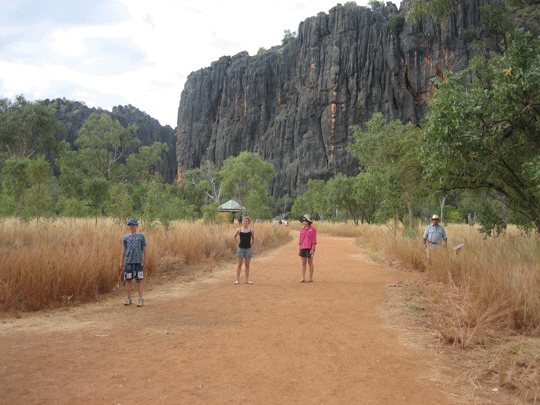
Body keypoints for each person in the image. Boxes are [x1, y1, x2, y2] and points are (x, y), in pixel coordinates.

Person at [121, 219, 147, 306]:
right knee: (128, 279)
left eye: (134, 225)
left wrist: (146, 259)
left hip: (138, 262)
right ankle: (129, 298)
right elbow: (124, 249)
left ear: (137, 226)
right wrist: (121, 260)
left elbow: (145, 248)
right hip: (128, 262)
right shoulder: (126, 237)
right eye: (130, 225)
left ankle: (140, 298)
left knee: (139, 280)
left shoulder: (141, 236)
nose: (132, 227)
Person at [233, 216, 255, 284]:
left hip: (248, 249)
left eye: (246, 221)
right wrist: (237, 245)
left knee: (247, 265)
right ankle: (237, 280)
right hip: (240, 249)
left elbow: (253, 239)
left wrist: (250, 246)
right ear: (242, 222)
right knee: (239, 265)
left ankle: (247, 280)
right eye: (244, 221)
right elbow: (234, 236)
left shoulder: (251, 230)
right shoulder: (239, 230)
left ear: (248, 222)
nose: (245, 222)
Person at [298, 214, 317, 283]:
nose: (304, 222)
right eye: (303, 220)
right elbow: (300, 240)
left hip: (310, 248)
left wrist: (312, 249)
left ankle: (310, 277)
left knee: (310, 262)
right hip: (303, 247)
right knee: (303, 263)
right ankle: (303, 277)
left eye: (305, 220)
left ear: (308, 221)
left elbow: (314, 240)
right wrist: (299, 249)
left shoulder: (313, 229)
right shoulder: (302, 230)